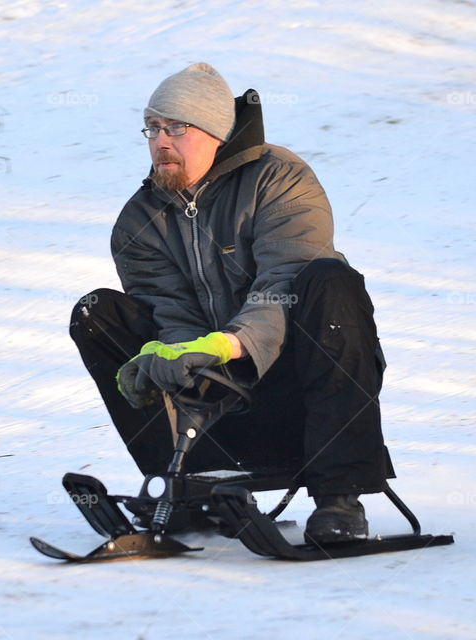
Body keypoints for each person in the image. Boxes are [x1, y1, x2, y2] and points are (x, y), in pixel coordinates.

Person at [70, 62, 394, 543]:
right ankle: (187, 486)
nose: (161, 141)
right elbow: (168, 312)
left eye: (177, 127)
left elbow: (284, 281)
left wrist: (226, 345)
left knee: (329, 281)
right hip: (224, 407)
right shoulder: (140, 220)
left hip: (302, 390)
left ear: (217, 132)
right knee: (97, 313)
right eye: (153, 128)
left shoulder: (280, 180)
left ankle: (339, 497)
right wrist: (178, 357)